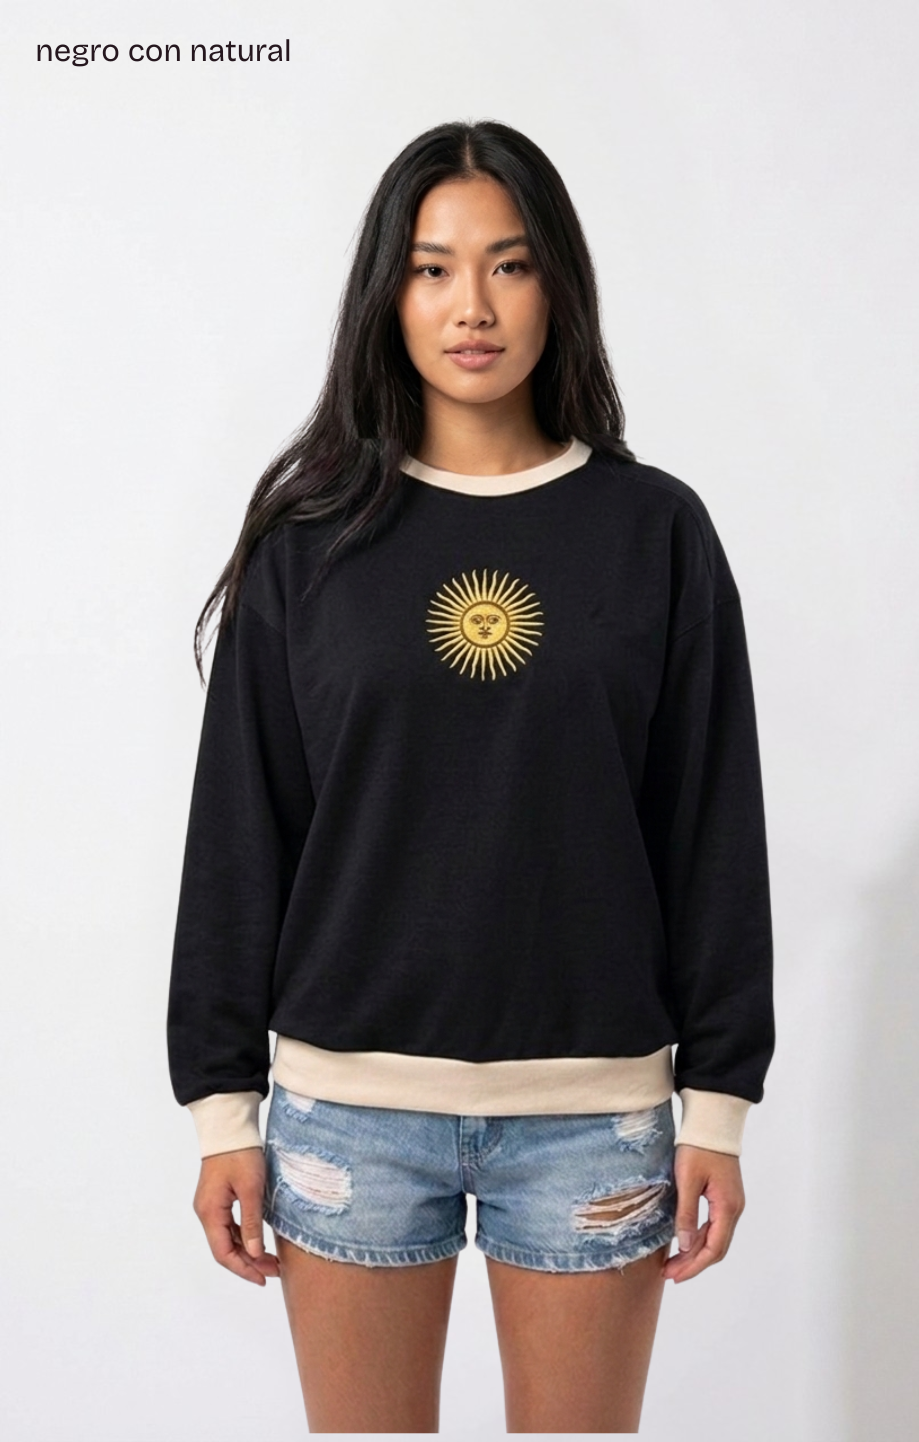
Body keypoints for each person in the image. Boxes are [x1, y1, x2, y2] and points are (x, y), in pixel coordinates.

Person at [167, 118, 775, 1434]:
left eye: (509, 264)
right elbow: (239, 834)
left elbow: (713, 827)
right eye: (433, 269)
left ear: (559, 283)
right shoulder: (311, 543)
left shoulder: (654, 532)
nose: (473, 307)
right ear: (387, 295)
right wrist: (222, 1107)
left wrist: (719, 1106)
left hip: (595, 1120)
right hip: (348, 1117)